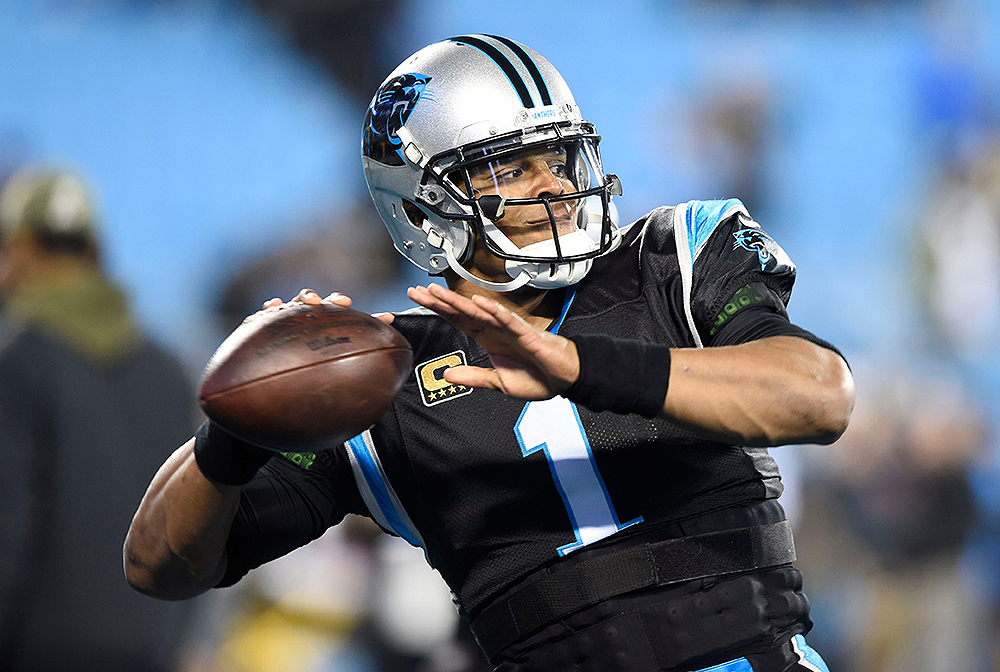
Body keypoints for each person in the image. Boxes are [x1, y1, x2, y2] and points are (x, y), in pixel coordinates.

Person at [125, 36, 855, 672]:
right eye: (512, 169)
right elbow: (158, 566)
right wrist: (233, 434)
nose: (557, 187)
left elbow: (819, 397)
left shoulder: (676, 253)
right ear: (422, 209)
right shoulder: (382, 373)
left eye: (561, 156)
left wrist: (580, 365)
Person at [0, 167, 196, 671]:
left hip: (36, 649)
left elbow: (9, 527)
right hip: (149, 646)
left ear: (18, 251)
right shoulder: (169, 368)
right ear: (96, 251)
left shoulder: (19, 358)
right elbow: (197, 520)